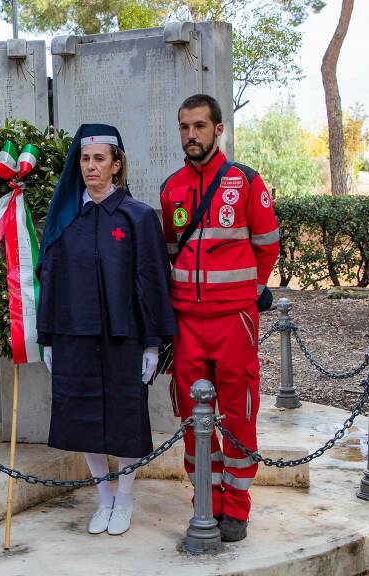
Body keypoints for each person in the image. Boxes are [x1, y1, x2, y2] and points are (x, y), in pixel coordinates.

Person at [38, 124, 176, 536]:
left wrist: (152, 343)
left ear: (117, 165)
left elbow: (152, 281)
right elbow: (50, 278)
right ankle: (103, 498)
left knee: (125, 419)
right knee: (82, 418)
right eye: (85, 159)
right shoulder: (66, 218)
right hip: (74, 335)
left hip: (125, 338)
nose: (92, 166)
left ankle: (126, 498)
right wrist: (48, 337)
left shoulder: (137, 217)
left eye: (100, 159)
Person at [158, 94, 279, 542]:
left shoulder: (246, 182)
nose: (191, 135)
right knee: (192, 417)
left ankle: (237, 508)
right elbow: (172, 250)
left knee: (238, 412)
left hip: (234, 322)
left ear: (218, 129)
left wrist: (243, 296)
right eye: (184, 127)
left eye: (199, 126)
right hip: (187, 324)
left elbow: (267, 245)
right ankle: (204, 502)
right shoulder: (171, 188)